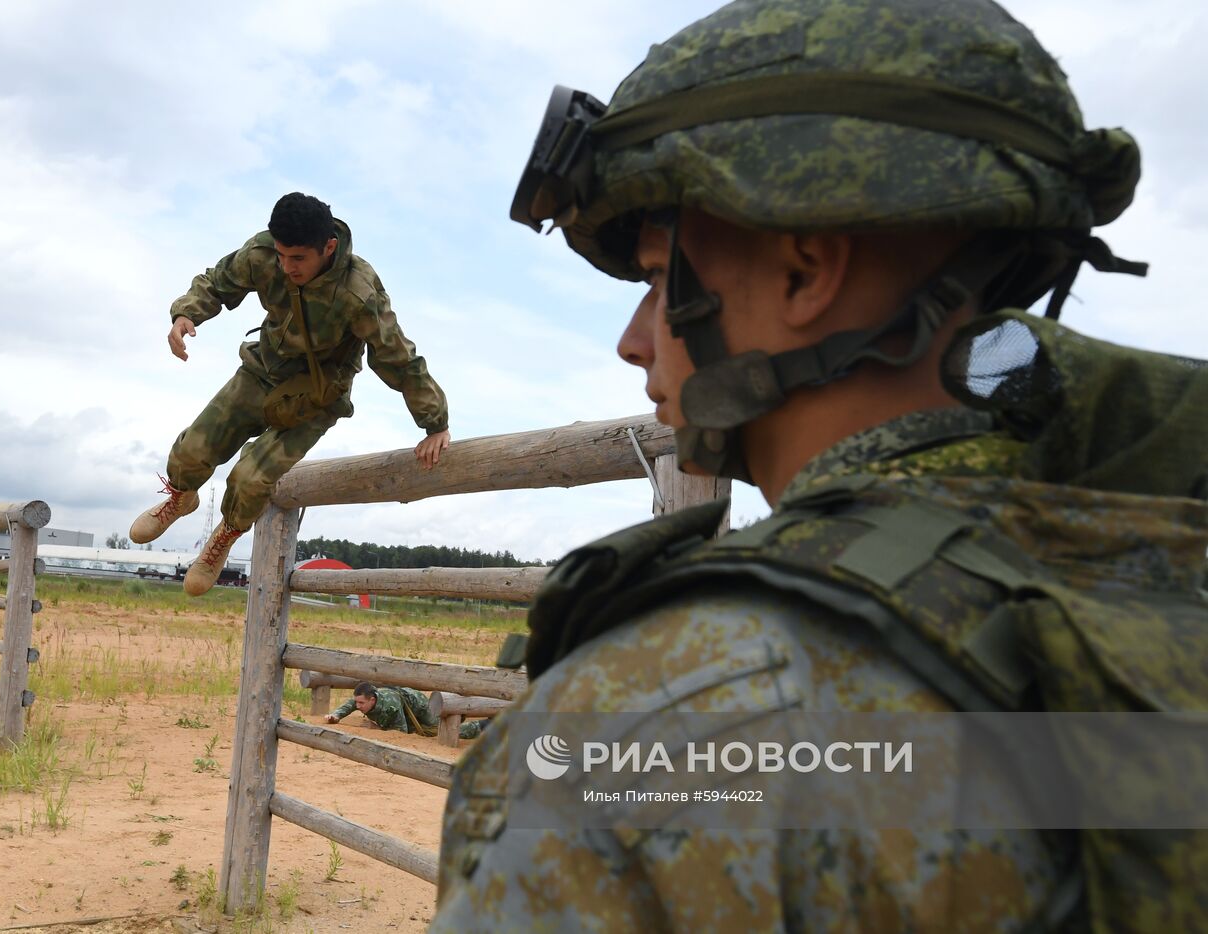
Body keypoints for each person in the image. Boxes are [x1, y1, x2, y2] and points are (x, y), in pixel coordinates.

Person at [432, 1, 1206, 931]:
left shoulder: (657, 720)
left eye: (651, 278)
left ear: (804, 274)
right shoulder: (1143, 565)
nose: (632, 343)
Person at [130, 192, 452, 595]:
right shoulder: (266, 253)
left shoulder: (358, 292)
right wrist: (186, 314)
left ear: (328, 247)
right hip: (262, 370)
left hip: (315, 398)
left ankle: (225, 535)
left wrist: (434, 422)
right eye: (282, 255)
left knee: (250, 478)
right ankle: (180, 498)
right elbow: (219, 280)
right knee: (192, 450)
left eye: (298, 258)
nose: (287, 266)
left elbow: (397, 356)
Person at [326, 681, 485, 741]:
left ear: (372, 700)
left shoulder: (390, 706)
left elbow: (402, 731)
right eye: (357, 702)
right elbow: (348, 705)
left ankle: (479, 726)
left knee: (439, 730)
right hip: (404, 708)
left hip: (419, 707)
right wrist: (336, 715)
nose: (358, 706)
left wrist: (378, 728)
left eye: (361, 703)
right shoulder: (363, 699)